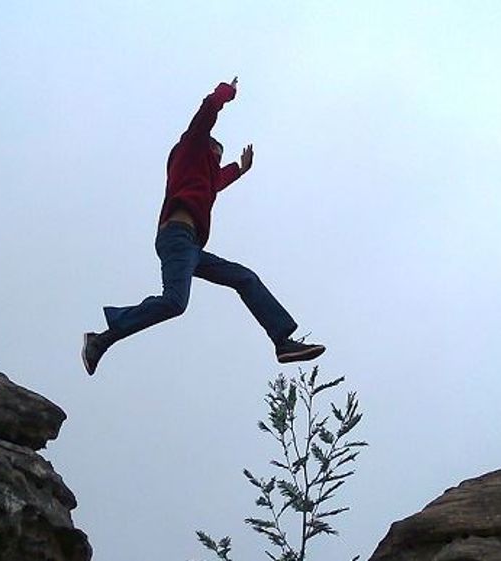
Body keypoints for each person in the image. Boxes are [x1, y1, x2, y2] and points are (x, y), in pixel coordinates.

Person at [82, 77, 325, 376]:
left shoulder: (203, 178)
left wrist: (239, 168)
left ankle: (282, 341)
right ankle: (102, 339)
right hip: (176, 238)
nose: (218, 161)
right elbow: (207, 113)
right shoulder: (191, 147)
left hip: (192, 247)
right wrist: (226, 93)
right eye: (217, 155)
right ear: (207, 149)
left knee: (245, 278)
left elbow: (215, 183)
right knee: (174, 302)